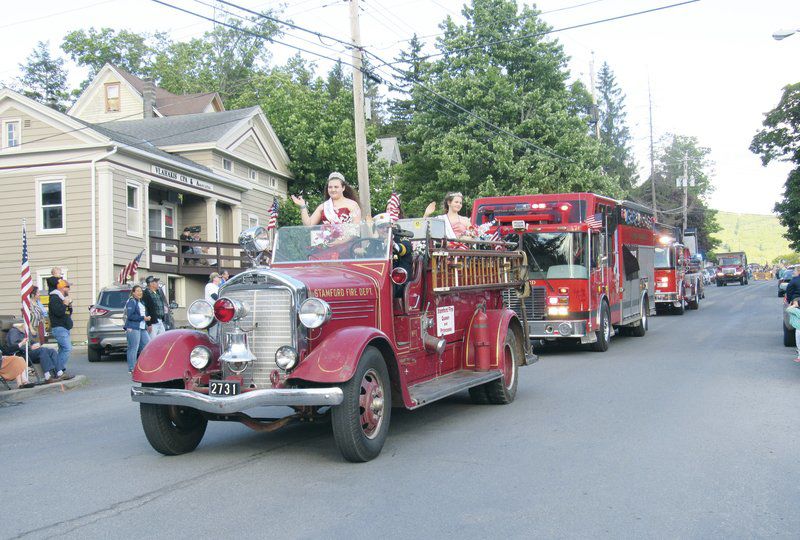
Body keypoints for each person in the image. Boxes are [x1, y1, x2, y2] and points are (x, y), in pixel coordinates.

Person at [291, 172, 362, 225]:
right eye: (330, 187)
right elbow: (309, 224)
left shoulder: (352, 205)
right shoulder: (324, 206)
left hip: (349, 244)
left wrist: (339, 242)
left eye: (336, 187)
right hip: (327, 243)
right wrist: (302, 206)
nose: (333, 190)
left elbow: (355, 229)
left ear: (343, 188)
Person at [48, 279, 74, 380]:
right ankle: (58, 370)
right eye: (68, 287)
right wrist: (64, 304)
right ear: (63, 288)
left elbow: (67, 313)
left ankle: (57, 371)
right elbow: (58, 312)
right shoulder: (55, 298)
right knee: (67, 348)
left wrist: (69, 305)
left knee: (62, 349)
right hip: (59, 327)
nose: (69, 289)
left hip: (64, 327)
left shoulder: (62, 297)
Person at [124, 285, 150, 373]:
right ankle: (132, 368)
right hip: (133, 327)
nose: (140, 292)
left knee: (147, 346)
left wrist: (146, 320)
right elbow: (130, 316)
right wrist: (143, 318)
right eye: (138, 291)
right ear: (133, 292)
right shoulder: (131, 302)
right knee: (133, 348)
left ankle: (144, 366)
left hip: (142, 328)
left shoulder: (141, 302)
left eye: (141, 291)